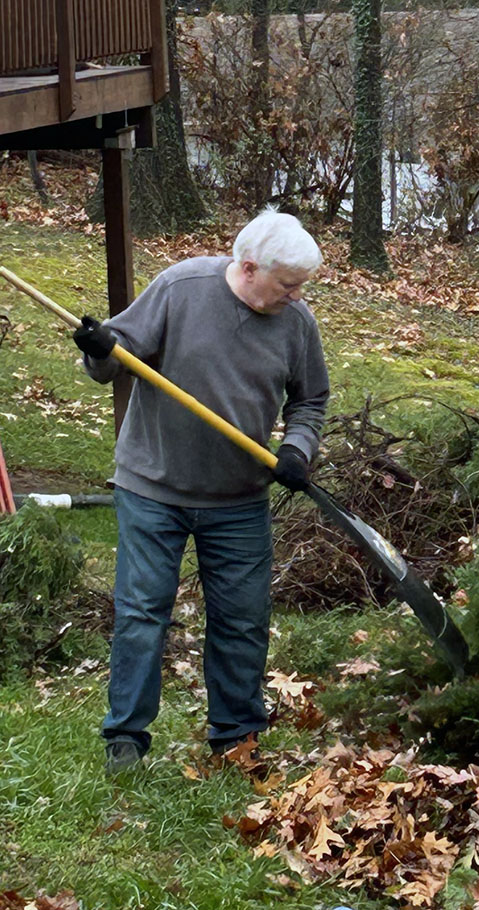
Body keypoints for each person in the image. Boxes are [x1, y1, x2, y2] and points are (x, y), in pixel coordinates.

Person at [73, 207, 330, 774]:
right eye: (287, 285)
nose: (296, 295)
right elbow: (115, 358)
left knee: (241, 617)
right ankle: (126, 739)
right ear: (247, 266)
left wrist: (297, 450)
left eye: (301, 286)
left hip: (239, 498)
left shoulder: (296, 321)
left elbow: (310, 399)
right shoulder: (180, 287)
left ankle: (236, 735)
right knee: (143, 612)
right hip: (154, 486)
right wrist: (98, 347)